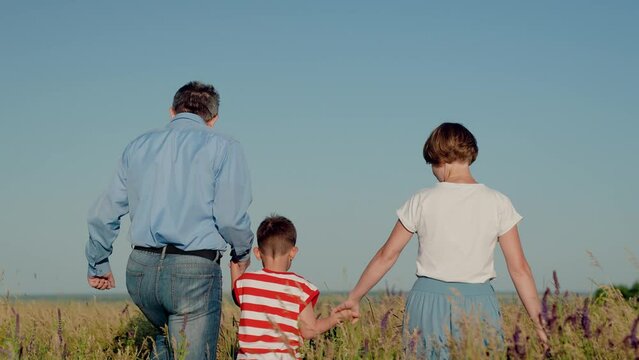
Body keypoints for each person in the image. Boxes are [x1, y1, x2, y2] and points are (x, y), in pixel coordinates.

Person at [336, 123, 548, 358]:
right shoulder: (498, 202)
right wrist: (540, 326)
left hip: (428, 302)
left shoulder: (422, 199)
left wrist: (355, 297)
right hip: (479, 304)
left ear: (439, 159)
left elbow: (388, 255)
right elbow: (519, 269)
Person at [85, 81, 254, 360]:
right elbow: (230, 218)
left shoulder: (137, 146)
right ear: (213, 120)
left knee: (168, 345)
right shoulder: (224, 146)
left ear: (171, 112)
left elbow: (102, 214)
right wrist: (242, 254)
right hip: (193, 272)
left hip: (140, 272)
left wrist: (98, 263)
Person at [231, 215, 352, 359]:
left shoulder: (246, 283)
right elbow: (309, 330)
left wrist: (235, 265)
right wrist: (337, 317)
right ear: (293, 252)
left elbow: (236, 288)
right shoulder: (301, 288)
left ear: (257, 253)